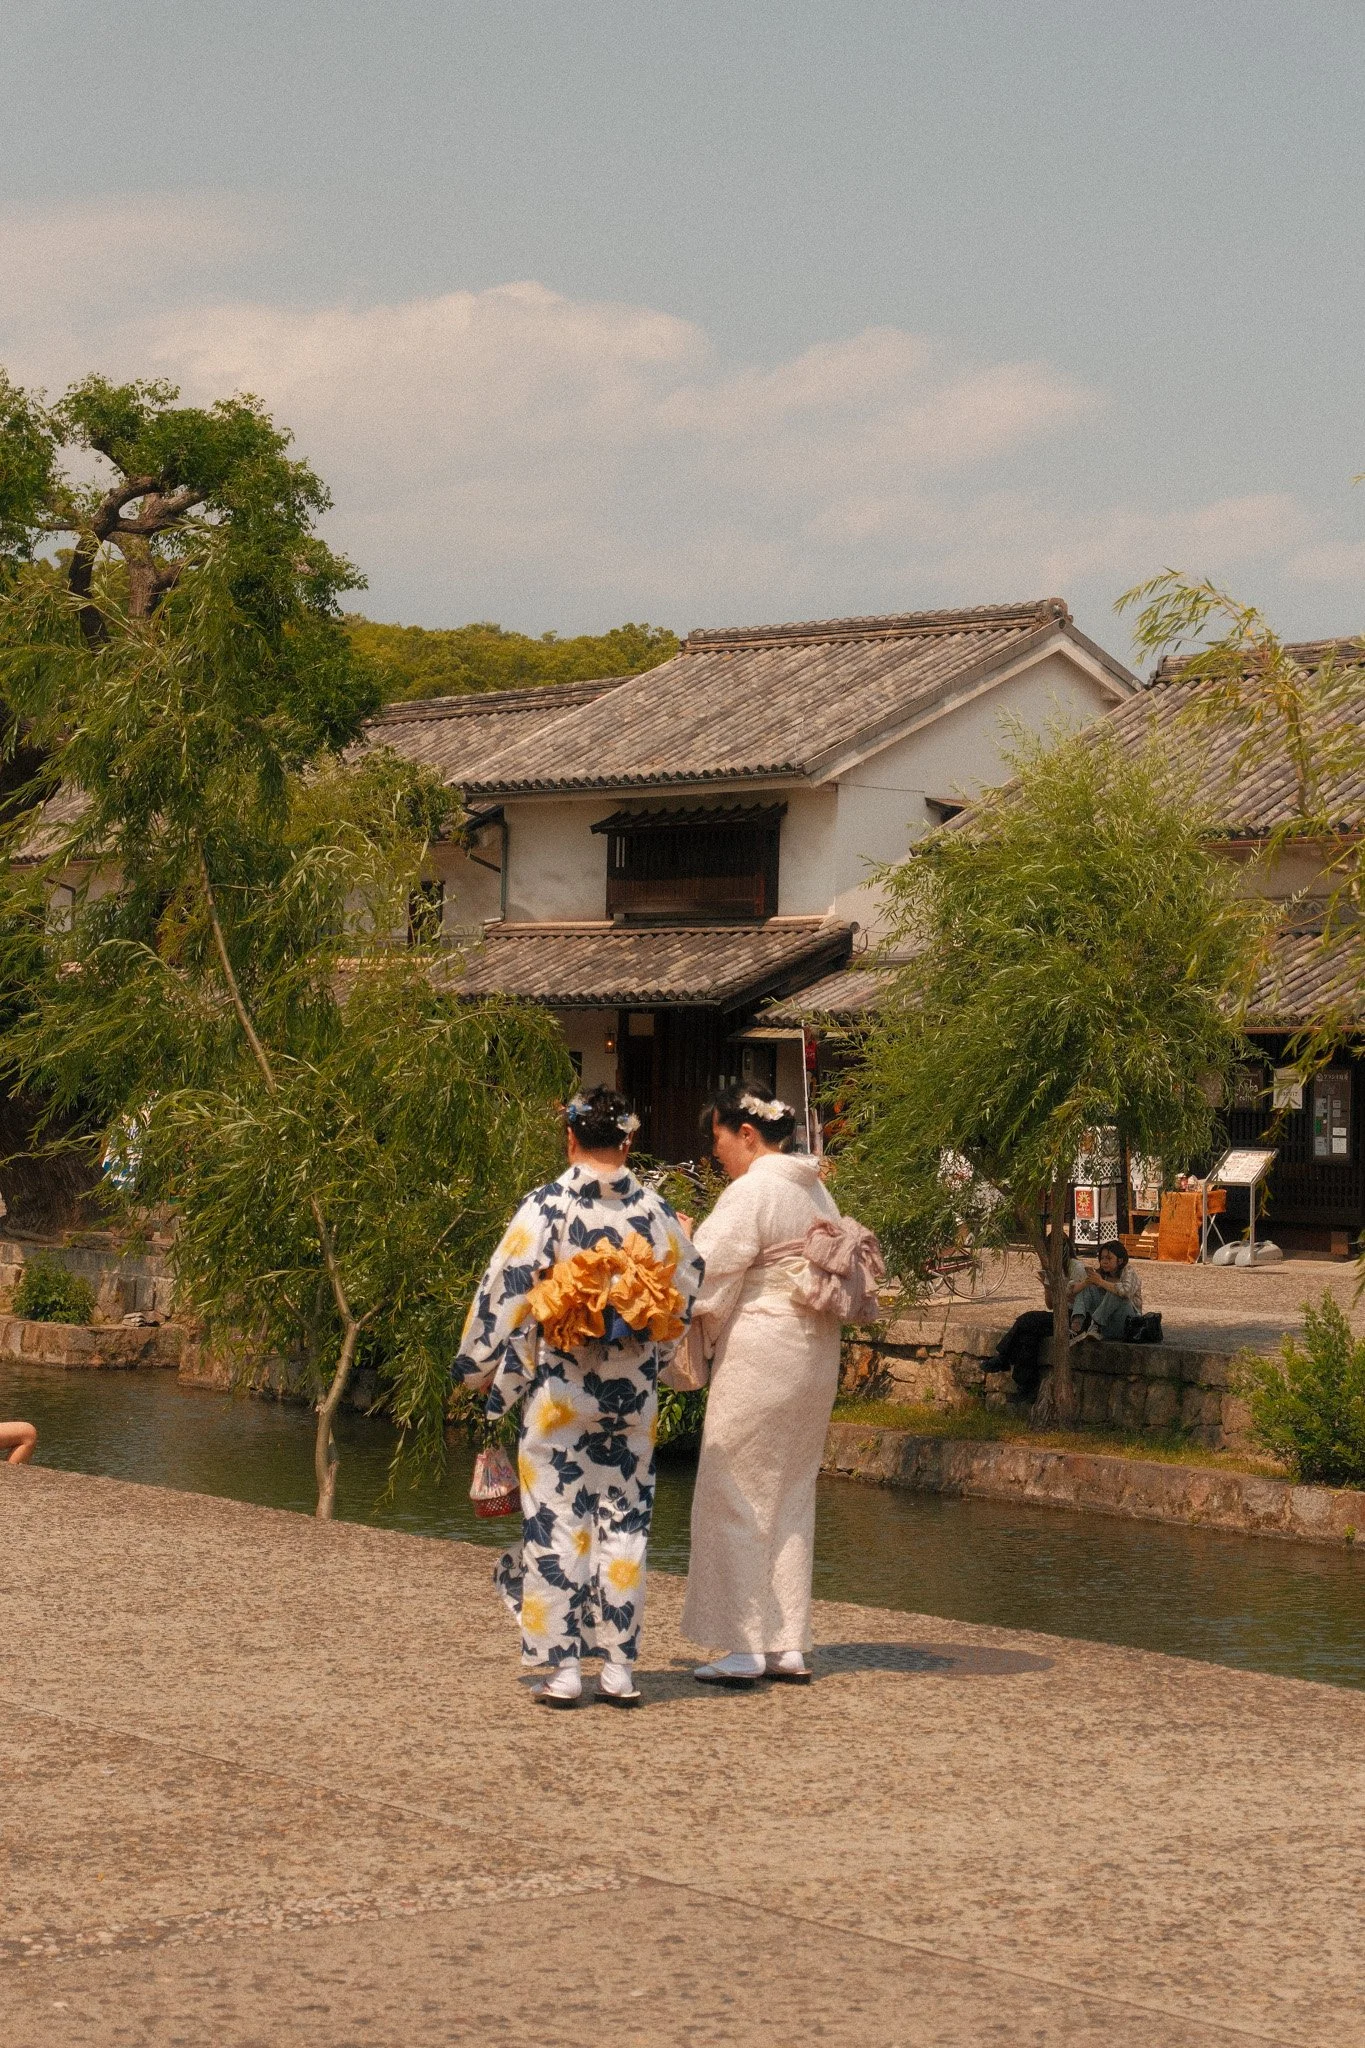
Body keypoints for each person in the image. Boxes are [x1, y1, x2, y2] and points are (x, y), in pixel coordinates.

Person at [453, 1086, 703, 1709]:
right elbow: (687, 1291)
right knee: (627, 1524)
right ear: (629, 1141)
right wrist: (654, 1362)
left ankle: (562, 1669)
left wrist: (476, 1369)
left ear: (570, 1137)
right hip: (631, 1399)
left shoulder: (548, 1207)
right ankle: (619, 1669)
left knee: (556, 1522)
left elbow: (502, 1291)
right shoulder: (657, 1212)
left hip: (561, 1393)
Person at [680, 1082, 857, 1689]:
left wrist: (681, 1241)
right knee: (789, 1492)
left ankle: (743, 1644)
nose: (717, 1154)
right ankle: (786, 1643)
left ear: (747, 1135)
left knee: (734, 1486)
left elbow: (704, 1278)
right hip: (813, 1351)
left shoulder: (752, 1188)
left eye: (720, 1141)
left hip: (762, 1345)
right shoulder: (814, 1187)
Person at [981, 1232, 1087, 1401]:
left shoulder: (1076, 1268)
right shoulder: (1053, 1267)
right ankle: (1026, 1385)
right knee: (1029, 1335)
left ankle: (1003, 1356)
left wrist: (1059, 1287)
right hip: (1060, 1312)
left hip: (1075, 1316)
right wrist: (1046, 1285)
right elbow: (1051, 1304)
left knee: (1027, 1319)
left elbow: (1079, 1297)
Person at [1070, 1239, 1143, 1344]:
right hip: (1108, 1326)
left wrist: (1101, 1282)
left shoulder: (1128, 1271)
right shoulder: (1101, 1273)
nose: (1104, 1261)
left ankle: (1096, 1324)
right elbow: (1069, 1289)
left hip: (1128, 1325)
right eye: (1102, 1258)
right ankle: (1077, 1325)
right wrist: (1087, 1282)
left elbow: (1125, 1292)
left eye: (1109, 1258)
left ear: (1120, 1260)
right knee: (1088, 1287)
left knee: (1116, 1293)